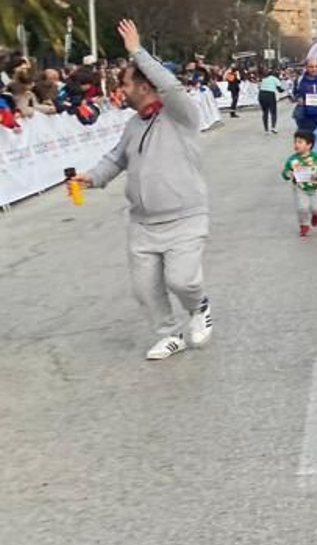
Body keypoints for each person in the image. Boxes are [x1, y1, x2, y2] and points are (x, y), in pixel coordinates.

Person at [75, 19, 214, 361]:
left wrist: (137, 51)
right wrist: (91, 178)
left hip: (184, 217)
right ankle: (169, 335)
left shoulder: (181, 115)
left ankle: (200, 307)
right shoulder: (132, 124)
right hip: (142, 224)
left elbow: (171, 87)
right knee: (145, 289)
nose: (120, 90)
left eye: (125, 83)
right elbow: (116, 158)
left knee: (183, 281)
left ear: (145, 86)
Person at [282, 129, 317, 238]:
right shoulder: (292, 159)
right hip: (300, 187)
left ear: (309, 145)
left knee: (315, 208)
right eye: (295, 142)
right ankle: (304, 225)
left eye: (300, 142)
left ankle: (316, 214)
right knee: (302, 207)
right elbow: (285, 172)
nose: (296, 144)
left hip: (316, 186)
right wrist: (287, 174)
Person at [258, 70, 282, 134]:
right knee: (273, 111)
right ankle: (273, 127)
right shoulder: (274, 78)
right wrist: (283, 90)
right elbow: (279, 89)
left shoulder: (262, 79)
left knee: (265, 112)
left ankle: (266, 129)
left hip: (261, 95)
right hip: (270, 95)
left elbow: (259, 87)